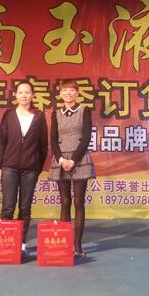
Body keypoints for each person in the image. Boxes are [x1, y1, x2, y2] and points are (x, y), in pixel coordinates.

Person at [0, 80, 48, 257]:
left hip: (30, 169)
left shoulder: (39, 116)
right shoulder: (9, 114)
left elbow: (43, 144)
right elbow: (1, 142)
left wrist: (37, 166)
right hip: (9, 167)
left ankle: (21, 243)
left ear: (33, 95)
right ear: (15, 95)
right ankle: (4, 242)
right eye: (21, 92)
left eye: (27, 92)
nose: (24, 95)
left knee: (25, 208)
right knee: (8, 207)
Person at [48, 79, 95, 259]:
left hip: (79, 159)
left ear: (77, 93)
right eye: (65, 90)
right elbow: (53, 139)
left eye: (72, 90)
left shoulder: (84, 110)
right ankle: (65, 242)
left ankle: (77, 245)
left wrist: (73, 160)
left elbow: (86, 138)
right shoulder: (56, 113)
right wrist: (61, 159)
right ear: (60, 93)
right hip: (61, 160)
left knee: (78, 203)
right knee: (65, 202)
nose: (68, 93)